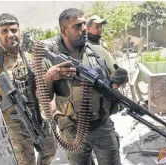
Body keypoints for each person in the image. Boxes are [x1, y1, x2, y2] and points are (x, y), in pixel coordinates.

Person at [39, 8, 121, 165]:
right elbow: (44, 97)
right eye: (77, 26)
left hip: (102, 125)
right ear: (64, 31)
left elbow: (115, 77)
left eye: (84, 24)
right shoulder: (50, 60)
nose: (84, 29)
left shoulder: (98, 52)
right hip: (72, 130)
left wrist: (119, 78)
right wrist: (49, 77)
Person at [0, 13, 57, 165]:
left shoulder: (29, 53)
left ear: (19, 31)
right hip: (15, 123)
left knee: (50, 151)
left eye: (14, 30)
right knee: (26, 161)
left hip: (38, 114)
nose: (10, 35)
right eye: (4, 31)